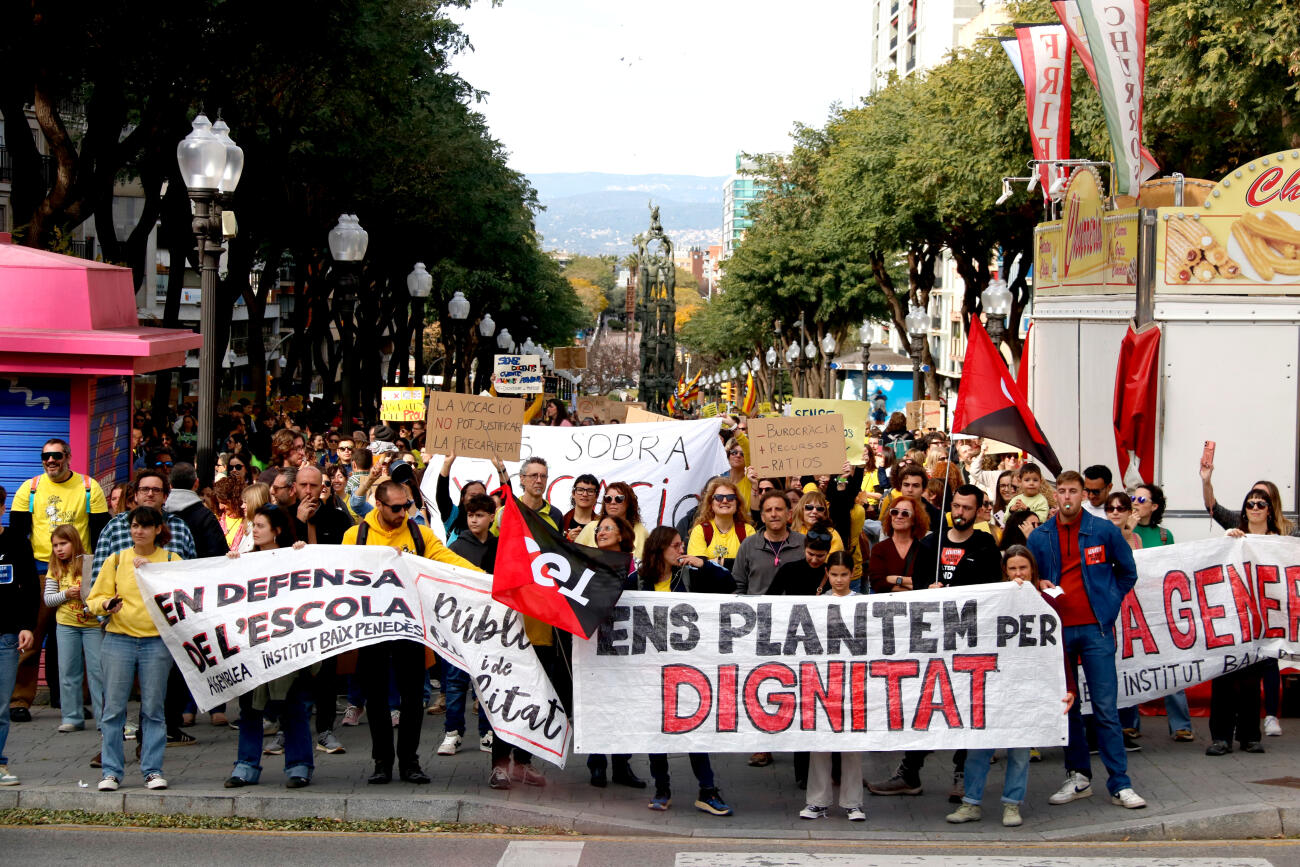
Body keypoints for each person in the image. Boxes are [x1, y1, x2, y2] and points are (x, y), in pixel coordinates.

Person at [869, 485, 1000, 801]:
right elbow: (919, 590)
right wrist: (932, 588)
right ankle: (909, 772)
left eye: (967, 508)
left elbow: (994, 587)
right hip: (934, 642)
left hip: (971, 640)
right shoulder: (930, 545)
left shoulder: (984, 544)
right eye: (956, 506)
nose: (960, 513)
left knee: (965, 707)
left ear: (978, 510)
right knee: (926, 704)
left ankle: (961, 773)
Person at [1025, 471, 1146, 810]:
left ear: (1083, 495)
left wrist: (1108, 605)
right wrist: (1038, 586)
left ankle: (1120, 783)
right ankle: (1078, 776)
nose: (1067, 497)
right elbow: (1027, 579)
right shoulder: (1040, 537)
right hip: (1057, 632)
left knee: (1106, 708)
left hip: (1096, 629)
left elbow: (1128, 572)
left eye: (1073, 491)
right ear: (1055, 495)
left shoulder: (1104, 530)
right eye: (1061, 491)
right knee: (1068, 707)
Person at [343, 481, 477, 785]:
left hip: (411, 629)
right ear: (378, 505)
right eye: (396, 507)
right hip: (372, 630)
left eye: (406, 505)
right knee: (376, 698)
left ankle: (410, 763)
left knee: (413, 697)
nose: (403, 511)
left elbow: (448, 560)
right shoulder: (356, 536)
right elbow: (339, 574)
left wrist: (483, 579)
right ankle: (381, 763)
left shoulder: (419, 533)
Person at [947, 546, 1076, 828]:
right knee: (979, 747)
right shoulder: (993, 601)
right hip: (993, 687)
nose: (1018, 574)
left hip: (1027, 690)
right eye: (1013, 569)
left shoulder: (1047, 602)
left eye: (1023, 569)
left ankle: (1012, 804)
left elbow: (1059, 649)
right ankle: (971, 803)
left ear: (1033, 571)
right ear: (1005, 573)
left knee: (1019, 751)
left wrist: (1068, 686)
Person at [7, 438, 110, 722]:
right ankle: (19, 700)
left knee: (78, 637)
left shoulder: (89, 487)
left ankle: (72, 700)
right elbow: (17, 536)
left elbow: (100, 533)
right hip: (41, 570)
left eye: (56, 456)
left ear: (68, 457)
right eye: (45, 457)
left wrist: (96, 574)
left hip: (79, 571)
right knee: (31, 636)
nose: (51, 461)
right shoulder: (29, 489)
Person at [86, 506, 183, 792]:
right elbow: (93, 599)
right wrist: (106, 604)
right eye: (134, 525)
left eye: (144, 525)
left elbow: (186, 593)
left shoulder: (170, 559)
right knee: (113, 709)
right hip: (119, 639)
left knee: (153, 709)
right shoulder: (116, 559)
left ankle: (152, 770)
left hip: (156, 642)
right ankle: (111, 771)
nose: (138, 530)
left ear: (157, 529)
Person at [223, 506, 316, 788]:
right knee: (250, 709)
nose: (255, 531)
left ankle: (299, 766)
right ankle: (246, 766)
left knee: (292, 707)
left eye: (261, 526)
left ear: (276, 530)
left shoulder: (293, 559)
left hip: (286, 648)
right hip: (252, 648)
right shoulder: (243, 561)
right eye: (254, 526)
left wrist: (304, 556)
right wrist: (227, 567)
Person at [1207, 492, 1280, 757]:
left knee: (1251, 681)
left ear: (1270, 510)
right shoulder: (1234, 536)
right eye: (1250, 504)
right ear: (1244, 509)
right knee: (1223, 677)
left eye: (1261, 504)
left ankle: (1250, 736)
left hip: (1261, 619)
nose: (1255, 508)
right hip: (1231, 616)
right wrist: (1226, 542)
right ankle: (1221, 738)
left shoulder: (1279, 541)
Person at [799, 551, 866, 823]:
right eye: (834, 574)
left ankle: (853, 802)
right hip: (822, 679)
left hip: (854, 679)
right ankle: (817, 801)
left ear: (852, 574)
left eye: (844, 575)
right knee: (821, 742)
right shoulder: (817, 603)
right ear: (827, 573)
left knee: (852, 744)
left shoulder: (863, 602)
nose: (839, 580)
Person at [585, 514, 647, 789]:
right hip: (592, 644)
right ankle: (597, 764)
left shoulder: (634, 569)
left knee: (623, 706)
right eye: (599, 529)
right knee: (596, 704)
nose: (601, 532)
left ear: (622, 535)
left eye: (608, 528)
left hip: (625, 645)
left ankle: (622, 764)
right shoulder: (586, 564)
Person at [438, 494, 496, 758]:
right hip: (460, 625)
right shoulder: (456, 548)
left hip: (491, 625)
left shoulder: (499, 547)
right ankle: (453, 733)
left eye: (480, 515)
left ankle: (488, 732)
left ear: (492, 517)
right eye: (471, 515)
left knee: (486, 681)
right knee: (455, 682)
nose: (474, 519)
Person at [43, 525, 100, 733]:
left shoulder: (91, 563)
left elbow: (100, 592)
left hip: (93, 625)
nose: (59, 549)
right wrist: (67, 594)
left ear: (74, 542)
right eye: (55, 545)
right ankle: (72, 717)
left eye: (63, 544)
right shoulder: (55, 567)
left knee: (98, 672)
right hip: (66, 625)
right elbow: (48, 599)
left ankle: (104, 718)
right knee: (68, 672)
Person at [0, 485, 38, 786]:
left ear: (2, 509)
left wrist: (27, 625)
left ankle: (0, 764)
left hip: (6, 635)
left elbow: (30, 588)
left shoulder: (16, 543)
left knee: (1, 706)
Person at [732, 490, 806, 596]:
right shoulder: (748, 544)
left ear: (789, 514)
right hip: (757, 611)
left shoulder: (803, 543)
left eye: (779, 509)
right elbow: (738, 584)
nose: (774, 514)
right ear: (762, 516)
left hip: (794, 611)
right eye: (768, 510)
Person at [867, 494, 929, 593]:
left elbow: (924, 584)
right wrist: (907, 583)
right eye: (895, 512)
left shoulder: (924, 550)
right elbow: (877, 584)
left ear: (914, 520)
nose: (899, 516)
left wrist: (893, 579)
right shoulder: (879, 549)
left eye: (905, 513)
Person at [687, 478, 753, 568]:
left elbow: (753, 565)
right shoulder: (700, 530)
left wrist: (718, 561)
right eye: (719, 497)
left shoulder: (748, 530)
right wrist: (735, 563)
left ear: (737, 503)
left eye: (730, 497)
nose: (725, 501)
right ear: (711, 504)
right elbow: (698, 570)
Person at [575, 481, 649, 561]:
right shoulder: (591, 527)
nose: (613, 502)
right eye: (608, 498)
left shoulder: (641, 531)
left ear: (629, 502)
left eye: (619, 499)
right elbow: (573, 557)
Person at [768, 522, 834, 596]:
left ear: (828, 553)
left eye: (820, 556)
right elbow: (770, 598)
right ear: (804, 549)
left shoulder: (833, 573)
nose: (814, 560)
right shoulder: (788, 570)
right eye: (810, 554)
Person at [435, 453, 488, 543]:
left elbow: (507, 500)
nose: (477, 499)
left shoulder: (490, 519)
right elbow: (442, 495)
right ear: (463, 497)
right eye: (473, 495)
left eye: (481, 495)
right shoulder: (454, 515)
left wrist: (501, 468)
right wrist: (447, 464)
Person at [561, 474, 600, 541]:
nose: (585, 494)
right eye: (580, 490)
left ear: (596, 496)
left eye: (590, 491)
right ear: (573, 493)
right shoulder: (561, 522)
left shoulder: (601, 524)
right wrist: (567, 539)